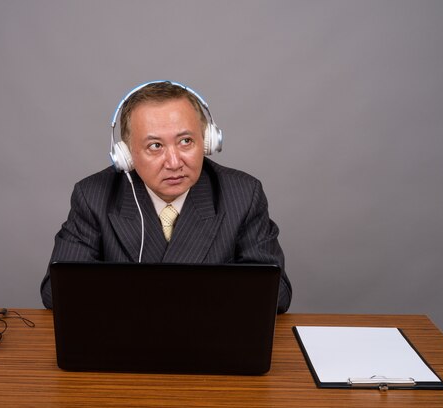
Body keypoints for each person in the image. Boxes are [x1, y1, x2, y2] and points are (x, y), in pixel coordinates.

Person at [40, 81, 292, 312]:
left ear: (206, 142)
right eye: (155, 146)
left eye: (185, 141)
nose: (173, 162)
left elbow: (276, 295)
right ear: (126, 155)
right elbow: (57, 293)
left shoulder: (243, 194)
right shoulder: (93, 196)